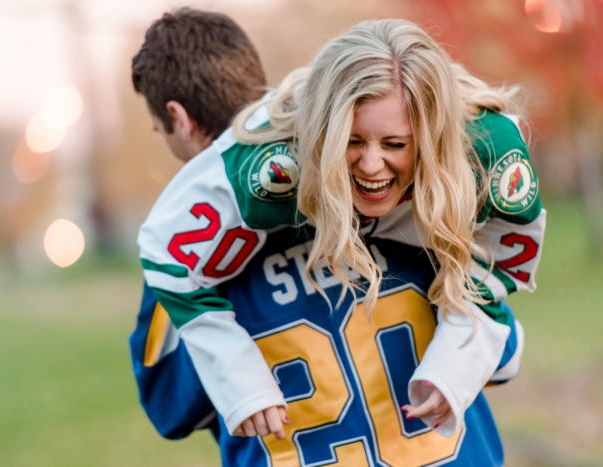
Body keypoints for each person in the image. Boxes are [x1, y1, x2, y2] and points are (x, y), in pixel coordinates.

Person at [133, 18, 541, 466]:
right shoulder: (434, 215)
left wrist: (236, 371)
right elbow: (505, 353)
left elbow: (170, 408)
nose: (371, 166)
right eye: (351, 142)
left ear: (179, 119)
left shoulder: (196, 247)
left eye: (393, 143)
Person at [129, 7, 266, 439]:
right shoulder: (367, 174)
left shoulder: (177, 246)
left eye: (160, 130)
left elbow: (168, 405)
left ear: (181, 119)